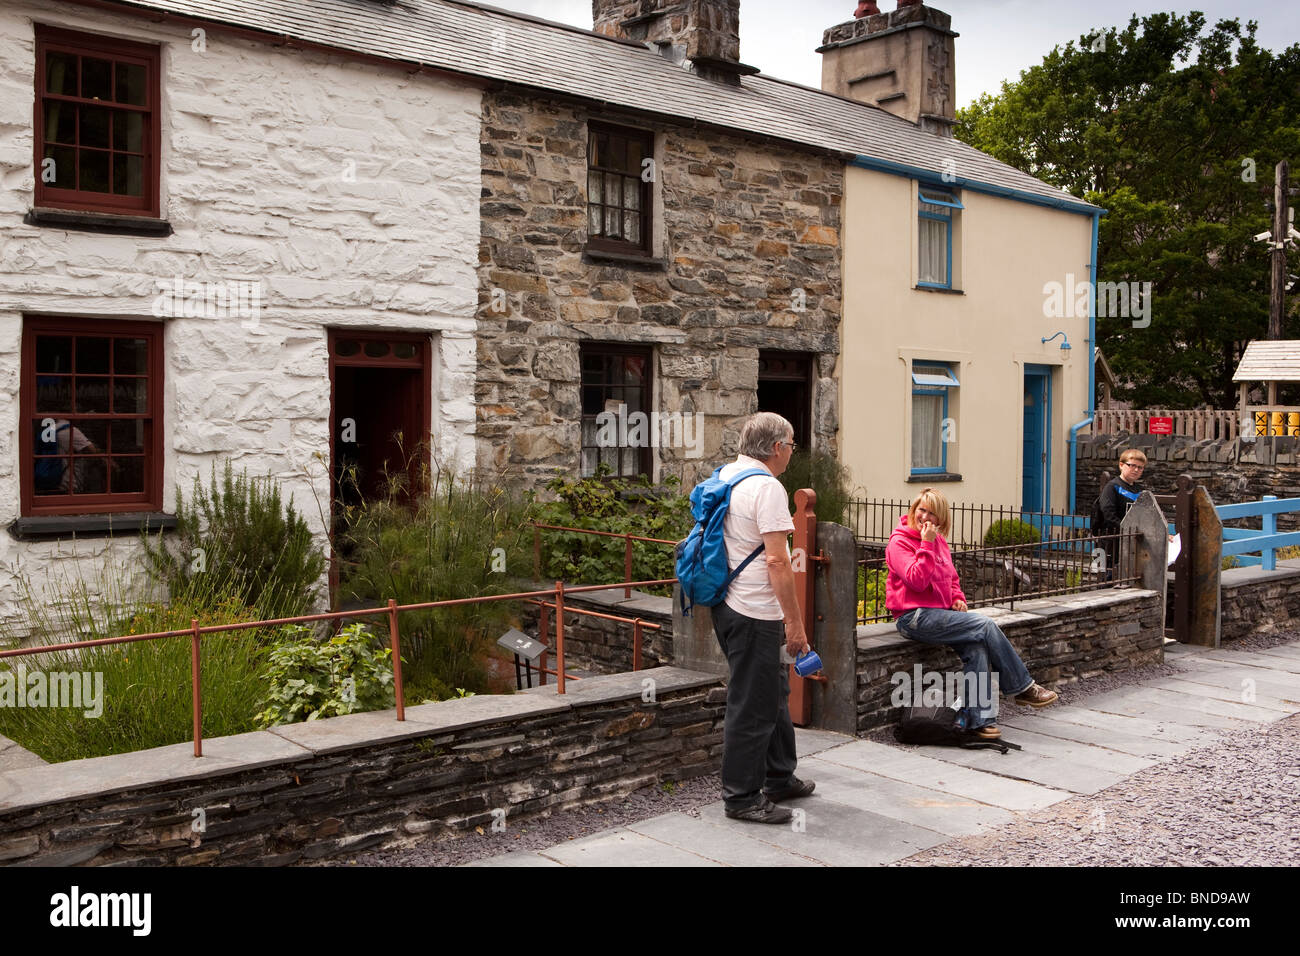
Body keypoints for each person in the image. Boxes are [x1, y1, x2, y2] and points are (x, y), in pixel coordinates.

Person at [885, 488, 1058, 740]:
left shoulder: (939, 542)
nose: (925, 517)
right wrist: (926, 544)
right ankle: (1023, 687)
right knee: (985, 625)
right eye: (921, 510)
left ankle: (980, 720)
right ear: (913, 510)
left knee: (976, 647)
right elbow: (917, 581)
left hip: (941, 616)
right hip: (913, 617)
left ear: (941, 519)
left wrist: (957, 599)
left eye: (932, 513)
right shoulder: (899, 542)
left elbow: (951, 579)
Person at [712, 411, 815, 824]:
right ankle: (741, 798)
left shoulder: (726, 476)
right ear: (777, 448)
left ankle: (779, 775)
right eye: (791, 444)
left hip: (727, 603)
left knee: (771, 691)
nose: (792, 452)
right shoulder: (767, 488)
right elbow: (777, 560)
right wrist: (794, 623)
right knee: (752, 705)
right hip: (754, 609)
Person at [1096, 449, 1147, 577]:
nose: (1136, 470)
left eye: (1140, 468)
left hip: (1131, 543)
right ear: (1121, 465)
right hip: (1110, 543)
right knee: (1107, 580)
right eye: (1132, 465)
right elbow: (1108, 516)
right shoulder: (1112, 487)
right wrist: (1127, 531)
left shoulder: (1139, 490)